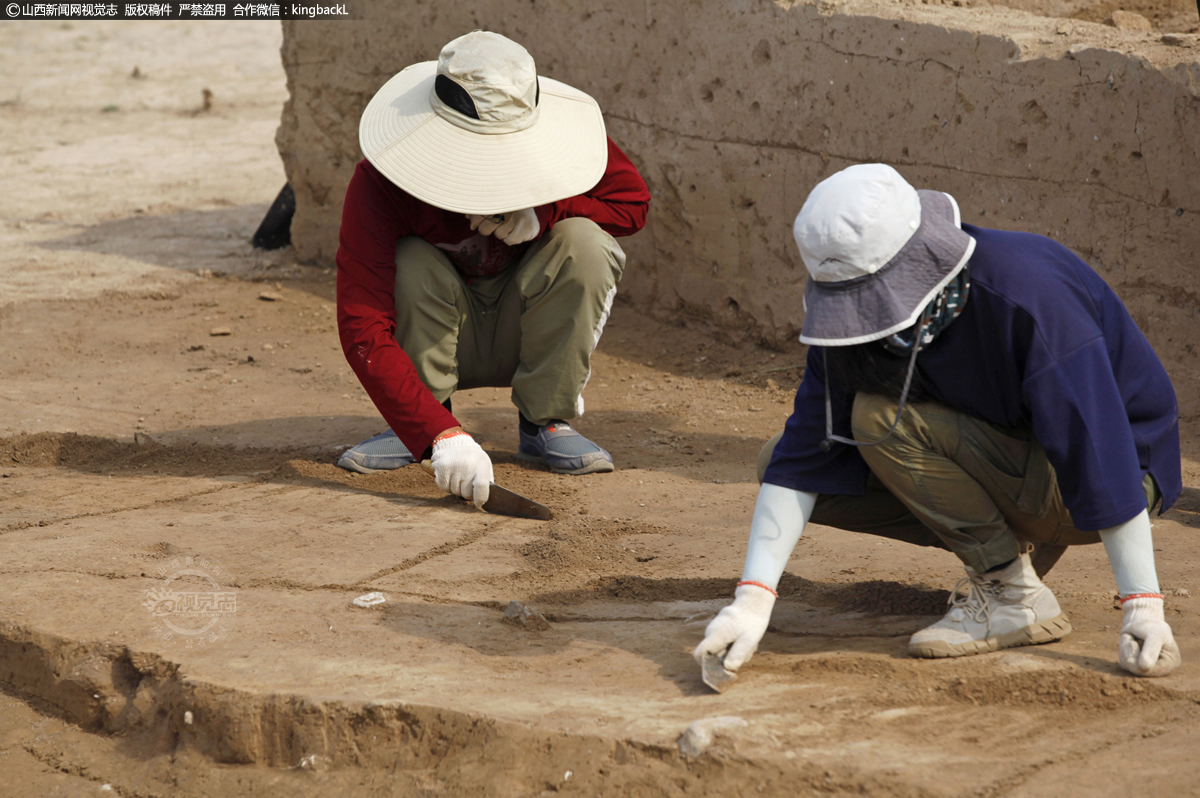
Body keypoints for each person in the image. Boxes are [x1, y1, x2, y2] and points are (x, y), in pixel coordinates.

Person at [695, 163, 1182, 678]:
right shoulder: (853, 332)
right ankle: (1013, 561)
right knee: (778, 459)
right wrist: (752, 602)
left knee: (881, 418)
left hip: (1114, 477)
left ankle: (1010, 598)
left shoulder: (1028, 299)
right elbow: (799, 460)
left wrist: (1142, 605)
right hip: (1012, 458)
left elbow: (1098, 452)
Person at [335, 31, 650, 505]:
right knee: (411, 261)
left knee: (584, 243)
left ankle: (545, 419)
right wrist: (438, 433)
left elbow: (631, 204)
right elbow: (362, 323)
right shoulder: (381, 183)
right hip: (440, 329)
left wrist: (546, 211)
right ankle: (417, 421)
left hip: (522, 324)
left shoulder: (561, 147)